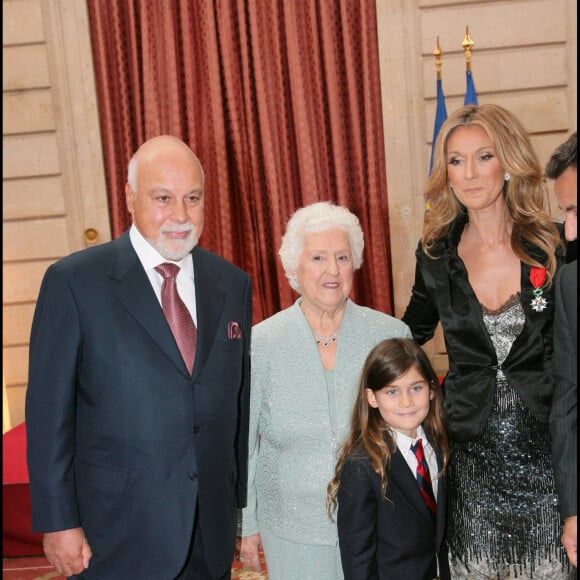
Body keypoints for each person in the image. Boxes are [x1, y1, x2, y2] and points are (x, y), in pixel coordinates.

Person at [25, 135, 252, 580]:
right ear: (130, 198)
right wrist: (58, 520)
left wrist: (240, 511)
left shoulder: (231, 284)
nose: (181, 216)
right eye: (162, 198)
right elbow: (48, 414)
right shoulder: (74, 283)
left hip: (210, 532)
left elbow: (235, 409)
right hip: (115, 536)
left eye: (192, 198)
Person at [402, 104, 569, 578]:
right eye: (455, 160)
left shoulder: (555, 248)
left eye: (483, 156)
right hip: (471, 464)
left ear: (509, 161)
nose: (469, 173)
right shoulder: (434, 255)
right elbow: (407, 338)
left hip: (548, 466)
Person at [238, 202, 412, 579]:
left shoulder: (390, 335)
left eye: (342, 257)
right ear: (293, 266)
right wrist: (246, 522)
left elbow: (414, 438)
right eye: (318, 257)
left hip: (381, 523)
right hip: (292, 529)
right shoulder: (261, 344)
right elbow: (245, 443)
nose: (332, 270)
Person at [327, 338, 450, 580]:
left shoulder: (439, 446)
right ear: (372, 398)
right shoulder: (362, 464)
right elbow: (357, 556)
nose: (407, 402)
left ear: (432, 390)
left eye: (416, 388)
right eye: (392, 391)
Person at [545, 131, 577, 568]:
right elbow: (567, 403)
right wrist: (572, 511)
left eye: (576, 209)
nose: (569, 229)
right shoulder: (569, 284)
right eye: (567, 211)